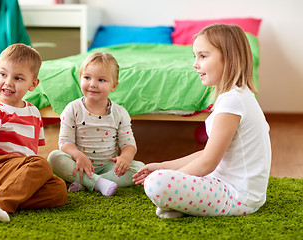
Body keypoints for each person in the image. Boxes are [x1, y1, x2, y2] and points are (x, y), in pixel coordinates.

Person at [133, 24, 271, 218]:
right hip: (232, 186)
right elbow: (208, 154)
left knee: (156, 183)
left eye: (203, 56)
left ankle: (181, 203)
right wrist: (164, 165)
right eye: (195, 56)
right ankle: (182, 204)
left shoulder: (233, 101)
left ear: (229, 58)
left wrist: (174, 177)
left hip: (239, 196)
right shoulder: (236, 96)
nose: (195, 64)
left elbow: (208, 163)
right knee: (161, 176)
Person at [0, 43, 68, 222]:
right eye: (3, 74)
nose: (8, 82)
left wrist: (30, 175)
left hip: (16, 173)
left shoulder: (33, 112)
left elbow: (30, 152)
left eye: (18, 78)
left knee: (59, 190)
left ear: (33, 84)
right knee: (42, 165)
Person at [48, 52, 144, 197]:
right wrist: (79, 156)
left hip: (109, 166)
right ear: (80, 79)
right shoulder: (72, 109)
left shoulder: (119, 113)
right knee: (54, 157)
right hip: (78, 163)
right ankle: (98, 183)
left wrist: (125, 158)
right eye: (87, 78)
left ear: (114, 85)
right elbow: (65, 142)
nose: (92, 84)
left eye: (101, 80)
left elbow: (129, 144)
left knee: (140, 168)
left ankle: (88, 182)